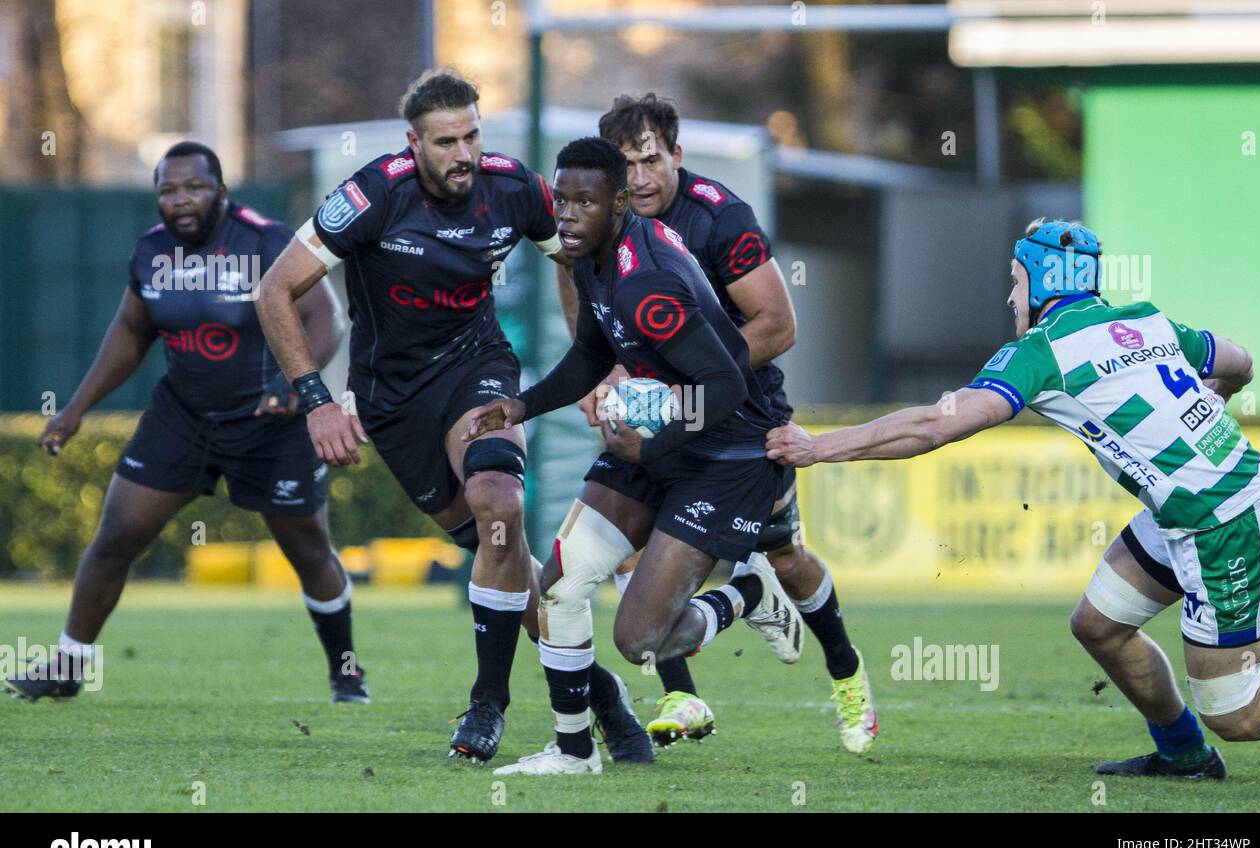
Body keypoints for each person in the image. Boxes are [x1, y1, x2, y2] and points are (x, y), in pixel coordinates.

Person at [768, 218, 1260, 780]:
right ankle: (1184, 755)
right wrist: (1218, 397)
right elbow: (1239, 359)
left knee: (1240, 714)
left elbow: (934, 427)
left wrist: (818, 447)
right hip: (1204, 502)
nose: (1010, 296)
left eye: (1015, 283)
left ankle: (1201, 742)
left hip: (1222, 523)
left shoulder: (1040, 352)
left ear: (1040, 284)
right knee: (1099, 625)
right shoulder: (1145, 320)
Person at [254, 70, 569, 764]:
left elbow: (574, 261)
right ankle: (592, 689)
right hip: (392, 400)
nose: (464, 154)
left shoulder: (515, 187)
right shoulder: (374, 193)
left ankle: (488, 704)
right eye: (447, 141)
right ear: (414, 144)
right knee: (493, 545)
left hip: (476, 368)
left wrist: (593, 362)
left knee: (499, 503)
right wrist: (316, 401)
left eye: (473, 136)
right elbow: (274, 291)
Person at [464, 137, 801, 776]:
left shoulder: (646, 282)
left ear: (618, 203)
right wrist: (521, 407)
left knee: (640, 640)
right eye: (559, 199)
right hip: (656, 442)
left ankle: (749, 591)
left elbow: (729, 383)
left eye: (582, 202)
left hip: (723, 455)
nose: (565, 214)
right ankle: (573, 752)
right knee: (558, 587)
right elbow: (593, 356)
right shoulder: (590, 259)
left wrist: (655, 441)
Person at [558, 94, 877, 755]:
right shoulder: (596, 220)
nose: (640, 178)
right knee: (630, 541)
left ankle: (845, 670)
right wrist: (609, 378)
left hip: (742, 417)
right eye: (626, 165)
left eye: (651, 160)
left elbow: (777, 325)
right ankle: (680, 691)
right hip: (665, 406)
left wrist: (673, 383)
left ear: (676, 156)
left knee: (785, 555)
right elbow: (581, 291)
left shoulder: (720, 217)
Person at [3, 142, 362, 704]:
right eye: (167, 190)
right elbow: (129, 334)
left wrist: (294, 387)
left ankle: (346, 672)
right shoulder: (151, 252)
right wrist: (73, 411)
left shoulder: (267, 240)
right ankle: (68, 667)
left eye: (194, 186)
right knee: (116, 534)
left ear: (221, 189)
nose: (180, 200)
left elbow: (326, 319)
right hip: (185, 417)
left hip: (270, 419)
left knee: (308, 550)